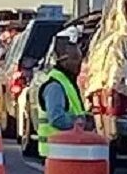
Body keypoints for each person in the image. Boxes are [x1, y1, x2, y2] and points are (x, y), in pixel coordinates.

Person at [37, 26, 92, 158]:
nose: (79, 64)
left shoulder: (67, 82)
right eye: (75, 59)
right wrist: (80, 123)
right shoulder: (55, 85)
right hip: (57, 154)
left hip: (67, 152)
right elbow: (57, 118)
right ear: (65, 61)